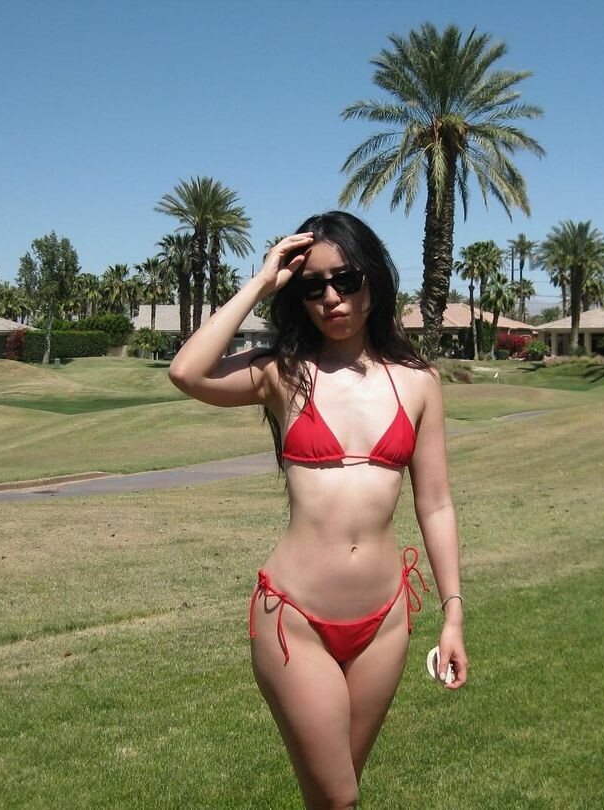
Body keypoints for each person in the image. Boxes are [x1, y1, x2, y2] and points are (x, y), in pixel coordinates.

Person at [168, 211, 467, 809]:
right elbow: (186, 371)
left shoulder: (418, 382)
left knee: (333, 798)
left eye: (346, 280)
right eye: (313, 286)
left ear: (373, 280)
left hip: (384, 624)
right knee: (339, 799)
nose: (331, 297)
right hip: (295, 619)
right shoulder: (281, 373)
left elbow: (434, 504)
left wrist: (453, 615)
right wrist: (261, 282)